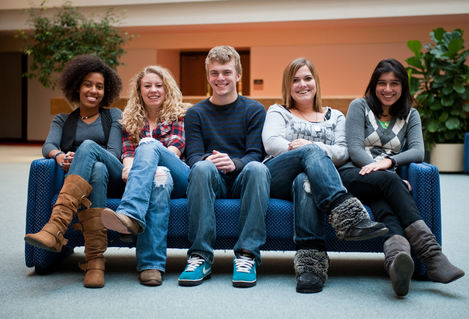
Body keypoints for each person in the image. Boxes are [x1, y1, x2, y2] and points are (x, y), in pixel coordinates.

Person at [338, 58, 465, 297]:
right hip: (353, 174)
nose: (388, 89)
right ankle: (433, 257)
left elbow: (417, 151)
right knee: (390, 183)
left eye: (394, 83)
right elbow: (355, 151)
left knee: (386, 206)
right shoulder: (359, 106)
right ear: (374, 85)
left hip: (384, 183)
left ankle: (397, 265)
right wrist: (388, 173)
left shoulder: (411, 115)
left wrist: (390, 162)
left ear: (403, 86)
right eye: (382, 83)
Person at [262, 57, 388, 293]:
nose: (302, 84)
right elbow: (271, 143)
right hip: (277, 176)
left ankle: (311, 267)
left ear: (316, 82)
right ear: (288, 86)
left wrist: (311, 147)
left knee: (305, 179)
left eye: (307, 78)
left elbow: (344, 151)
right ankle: (346, 213)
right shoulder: (278, 111)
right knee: (310, 151)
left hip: (311, 184)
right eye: (295, 80)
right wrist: (304, 149)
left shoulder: (337, 116)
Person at [24, 55, 124, 288]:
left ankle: (55, 227)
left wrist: (80, 155)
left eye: (99, 86)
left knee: (91, 150)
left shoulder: (114, 116)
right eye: (88, 84)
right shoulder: (62, 120)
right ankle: (95, 262)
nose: (93, 90)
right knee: (96, 169)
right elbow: (48, 146)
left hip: (115, 176)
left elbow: (114, 151)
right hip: (87, 179)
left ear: (105, 91)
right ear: (77, 87)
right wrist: (59, 156)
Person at [178, 45, 270, 288]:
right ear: (208, 76)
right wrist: (211, 160)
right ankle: (200, 256)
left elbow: (255, 156)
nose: (221, 79)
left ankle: (247, 255)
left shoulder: (255, 110)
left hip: (243, 179)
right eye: (215, 73)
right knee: (201, 167)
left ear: (238, 75)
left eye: (227, 72)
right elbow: (194, 157)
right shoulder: (195, 113)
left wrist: (234, 163)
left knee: (259, 169)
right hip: (211, 180)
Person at [100, 65, 190, 286]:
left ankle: (129, 213)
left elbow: (175, 150)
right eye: (147, 86)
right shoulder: (129, 119)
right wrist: (129, 168)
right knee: (158, 178)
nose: (153, 90)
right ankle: (151, 266)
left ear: (166, 89)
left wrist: (143, 162)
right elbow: (128, 153)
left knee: (150, 146)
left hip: (179, 174)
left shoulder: (181, 114)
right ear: (139, 91)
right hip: (157, 178)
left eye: (159, 85)